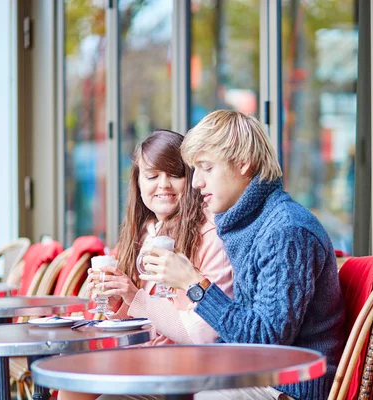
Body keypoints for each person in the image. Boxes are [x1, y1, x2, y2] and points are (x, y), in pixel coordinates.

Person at [131, 111, 345, 400]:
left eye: (206, 168)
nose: (196, 183)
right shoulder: (246, 222)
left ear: (244, 164)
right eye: (194, 170)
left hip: (288, 386)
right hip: (248, 373)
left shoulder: (286, 230)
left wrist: (196, 284)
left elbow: (267, 341)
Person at [58, 129, 233, 400]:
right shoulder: (145, 231)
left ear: (192, 179)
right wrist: (117, 303)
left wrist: (133, 296)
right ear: (138, 183)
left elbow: (202, 333)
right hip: (142, 359)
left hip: (185, 371)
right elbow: (141, 320)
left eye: (175, 174)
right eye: (152, 176)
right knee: (72, 383)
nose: (163, 184)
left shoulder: (210, 235)